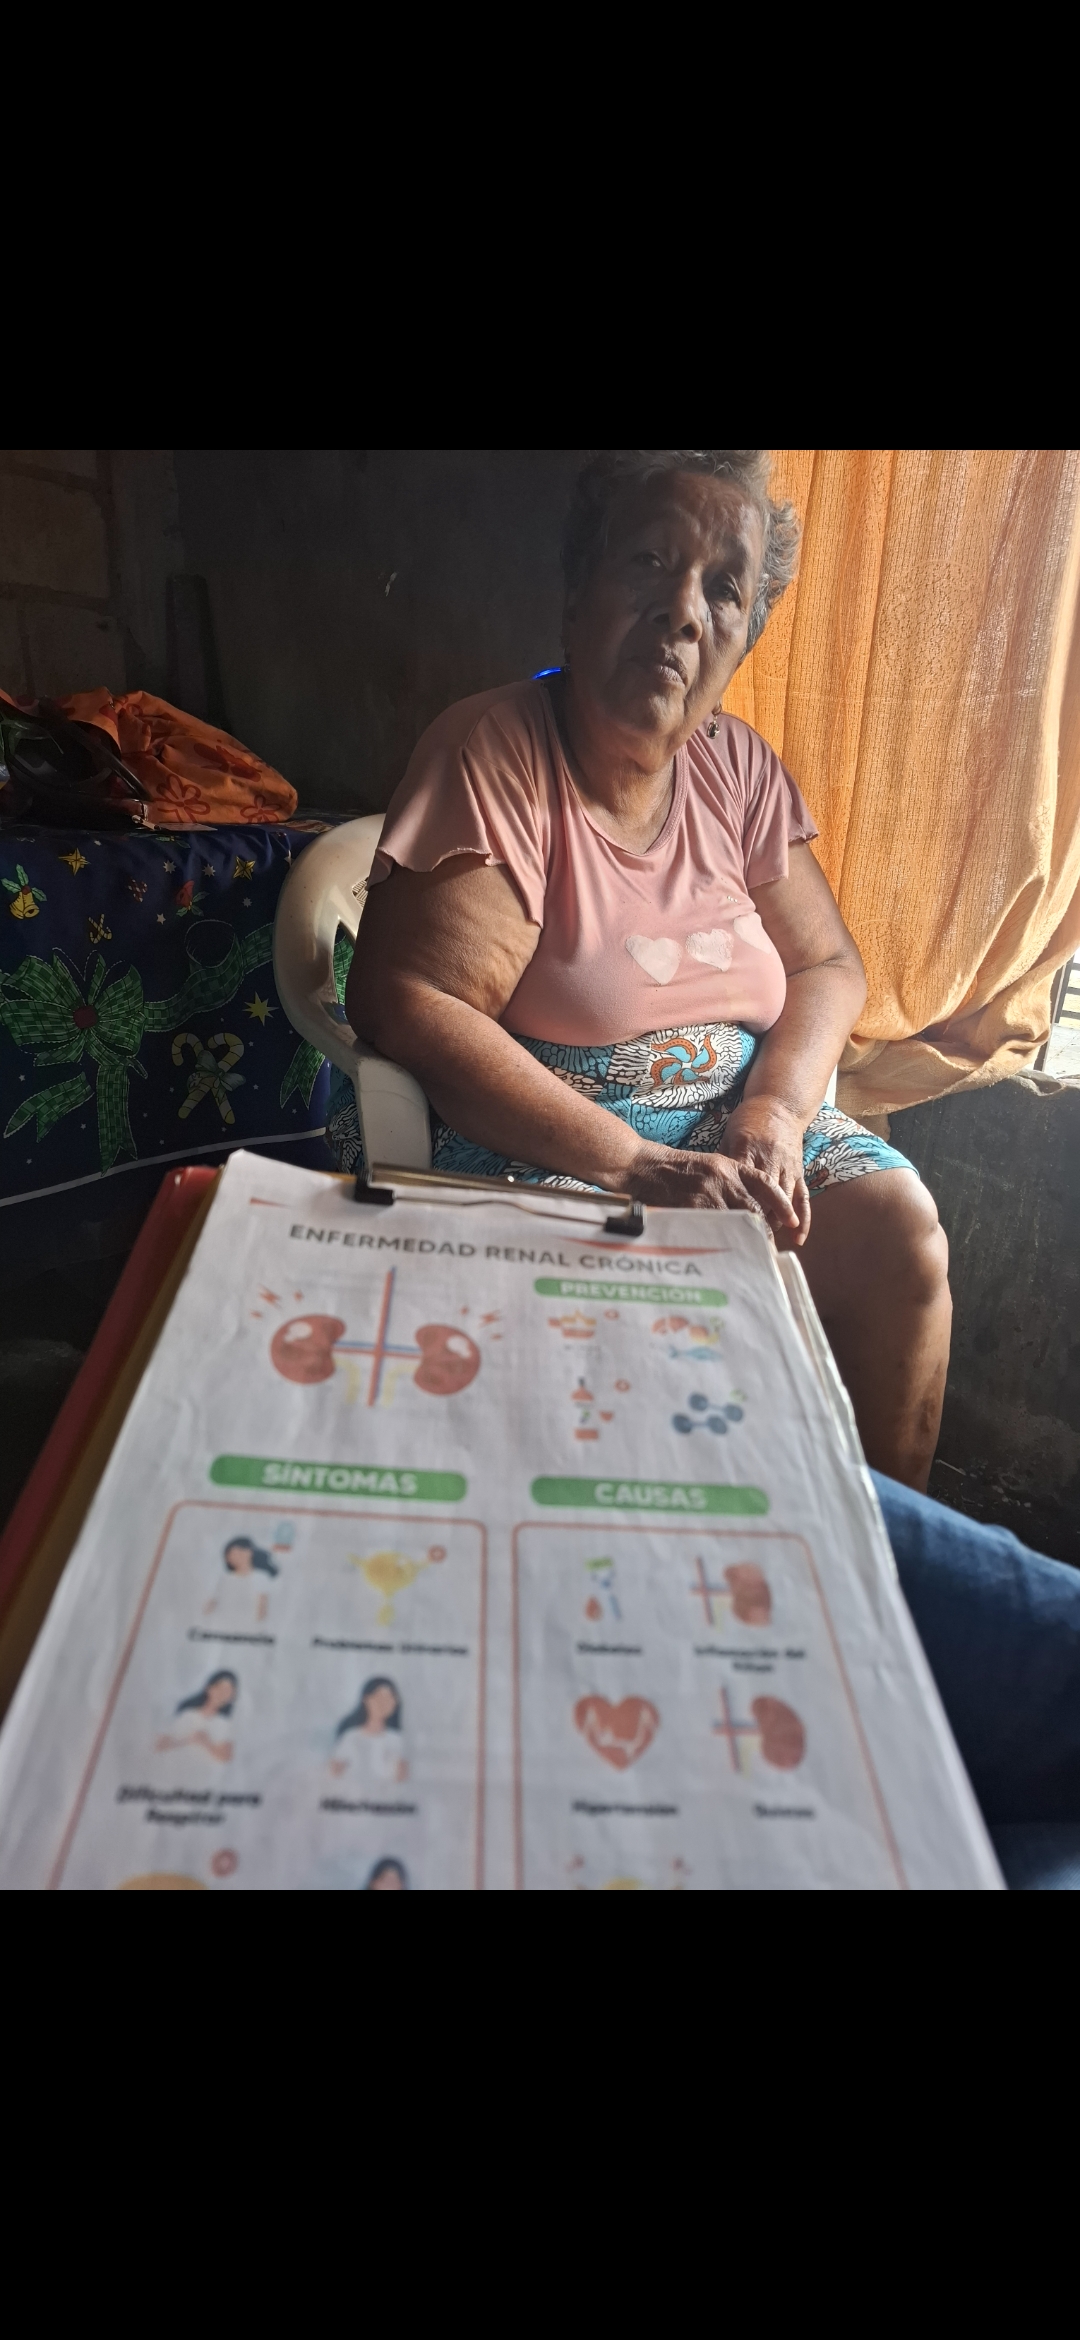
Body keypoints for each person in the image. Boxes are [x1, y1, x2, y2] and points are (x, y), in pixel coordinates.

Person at [343, 450, 949, 1492]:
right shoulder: (497, 752)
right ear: (578, 594)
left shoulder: (738, 769)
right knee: (631, 1318)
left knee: (901, 1235)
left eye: (724, 590)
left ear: (743, 637)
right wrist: (634, 1164)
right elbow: (409, 1001)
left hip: (734, 1114)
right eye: (650, 563)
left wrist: (777, 1112)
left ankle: (872, 1547)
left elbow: (828, 964)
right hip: (552, 1133)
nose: (683, 613)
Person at [329, 1678, 408, 1786]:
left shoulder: (395, 1740)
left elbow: (401, 1778)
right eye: (379, 1697)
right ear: (366, 1700)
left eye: (389, 1698)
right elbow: (334, 1773)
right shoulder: (351, 1737)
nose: (384, 1703)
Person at [156, 1670, 238, 1764]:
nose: (222, 1694)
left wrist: (206, 1743)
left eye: (228, 1692)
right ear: (209, 1688)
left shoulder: (223, 1724)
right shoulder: (188, 1714)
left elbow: (225, 1757)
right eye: (220, 1688)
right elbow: (161, 1744)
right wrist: (187, 1740)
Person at [203, 1535, 280, 1627]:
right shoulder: (224, 1579)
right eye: (230, 1554)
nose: (234, 1557)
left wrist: (255, 1626)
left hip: (247, 1628)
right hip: (223, 1625)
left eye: (239, 1553)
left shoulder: (260, 1578)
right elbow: (214, 1602)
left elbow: (262, 1608)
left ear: (249, 1553)